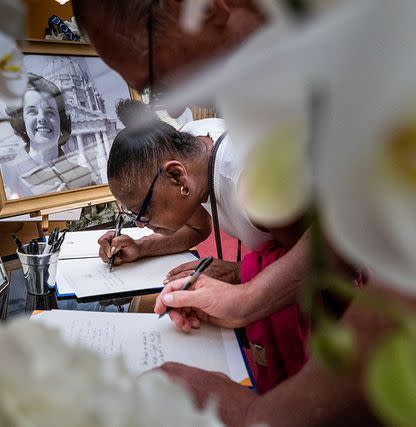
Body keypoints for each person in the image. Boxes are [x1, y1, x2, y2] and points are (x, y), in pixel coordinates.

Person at [72, 0, 411, 425]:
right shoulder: (205, 139)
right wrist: (159, 252)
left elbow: (352, 261)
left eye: (159, 79)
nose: (177, 108)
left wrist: (255, 405)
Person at [101, 99, 310, 391]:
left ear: (176, 176)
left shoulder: (249, 183)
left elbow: (320, 257)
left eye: (142, 213)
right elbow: (198, 226)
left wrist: (238, 274)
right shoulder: (192, 148)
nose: (139, 224)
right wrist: (142, 246)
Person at [2, 73, 95, 198]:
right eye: (32, 111)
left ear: (60, 121)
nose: (42, 118)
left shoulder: (84, 176)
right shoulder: (5, 180)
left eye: (50, 112)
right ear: (21, 122)